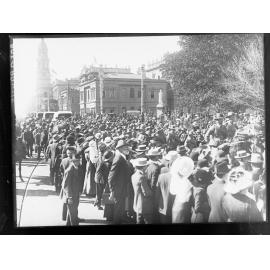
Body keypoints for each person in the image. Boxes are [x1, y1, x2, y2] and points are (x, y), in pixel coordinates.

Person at [108, 140, 131, 224]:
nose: (127, 148)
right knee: (118, 207)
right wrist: (112, 190)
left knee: (121, 206)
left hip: (122, 186)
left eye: (127, 146)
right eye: (125, 147)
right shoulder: (118, 158)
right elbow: (111, 176)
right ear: (120, 148)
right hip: (118, 187)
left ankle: (119, 220)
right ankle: (116, 222)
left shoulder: (122, 157)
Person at [60, 154, 84, 226]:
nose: (79, 162)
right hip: (71, 195)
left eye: (79, 160)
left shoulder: (78, 168)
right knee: (73, 213)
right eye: (78, 161)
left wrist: (80, 191)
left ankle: (68, 224)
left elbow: (80, 181)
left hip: (76, 193)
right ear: (74, 161)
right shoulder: (70, 170)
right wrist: (69, 197)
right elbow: (66, 185)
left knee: (73, 211)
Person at [170, 156, 195, 223]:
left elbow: (172, 192)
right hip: (183, 207)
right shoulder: (186, 182)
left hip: (176, 204)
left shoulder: (176, 179)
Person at [131, 158, 154, 224]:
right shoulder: (142, 177)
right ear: (144, 167)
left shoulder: (133, 175)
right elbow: (146, 193)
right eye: (146, 166)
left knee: (139, 220)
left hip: (137, 203)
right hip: (145, 205)